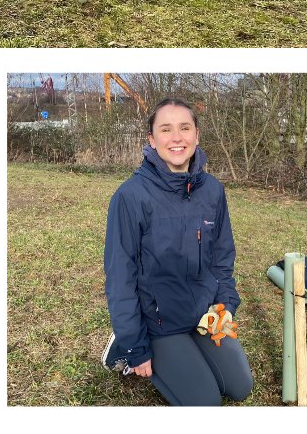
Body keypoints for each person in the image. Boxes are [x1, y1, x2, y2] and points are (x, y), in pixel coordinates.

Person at [102, 98, 253, 406]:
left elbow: (222, 258)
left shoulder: (213, 191)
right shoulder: (130, 197)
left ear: (196, 135)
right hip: (158, 322)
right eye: (165, 129)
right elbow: (120, 277)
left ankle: (188, 348)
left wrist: (224, 306)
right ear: (151, 139)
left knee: (240, 387)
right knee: (207, 403)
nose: (176, 138)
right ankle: (124, 344)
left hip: (202, 314)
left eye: (184, 128)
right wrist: (137, 346)